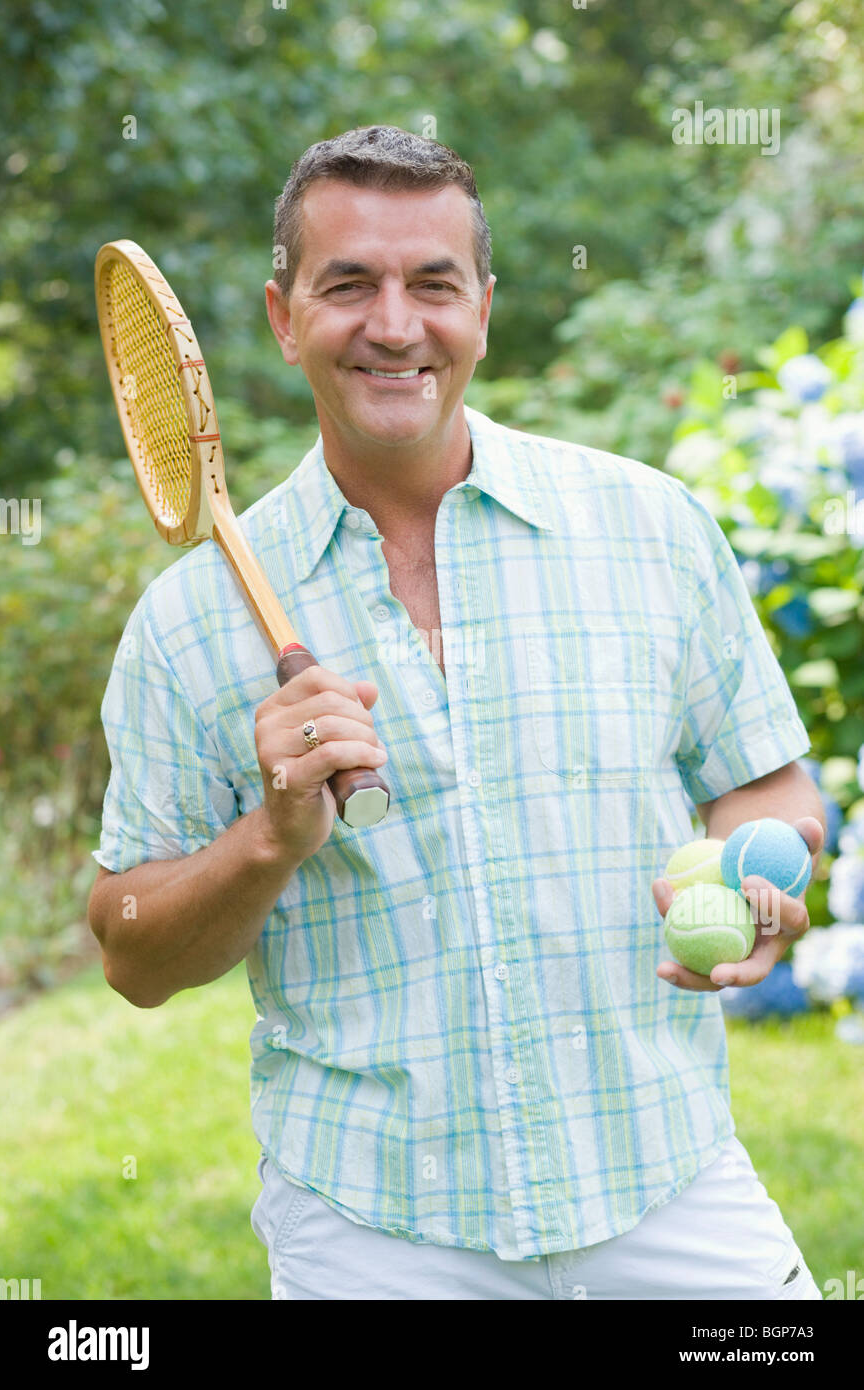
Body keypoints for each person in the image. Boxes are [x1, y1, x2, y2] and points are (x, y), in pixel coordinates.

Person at [88, 125, 827, 1300]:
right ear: (283, 318)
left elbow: (772, 789)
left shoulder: (649, 527)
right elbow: (130, 946)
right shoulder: (185, 626)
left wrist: (762, 883)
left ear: (482, 306)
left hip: (662, 1181)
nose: (394, 324)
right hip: (376, 1230)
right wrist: (268, 839)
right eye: (347, 286)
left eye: (432, 283)